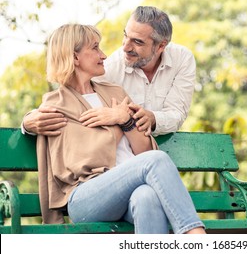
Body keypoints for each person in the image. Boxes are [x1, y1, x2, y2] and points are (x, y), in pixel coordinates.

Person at [37, 23, 205, 234]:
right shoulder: (56, 105)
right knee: (157, 160)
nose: (104, 55)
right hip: (85, 197)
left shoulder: (115, 92)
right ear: (75, 57)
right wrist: (118, 124)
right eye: (96, 47)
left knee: (147, 197)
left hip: (127, 192)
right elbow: (87, 160)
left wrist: (125, 121)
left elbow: (145, 151)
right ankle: (197, 237)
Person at [22, 6, 196, 137]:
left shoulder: (182, 59)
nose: (126, 47)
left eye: (137, 42)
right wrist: (28, 122)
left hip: (153, 151)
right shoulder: (111, 68)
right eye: (125, 36)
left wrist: (153, 118)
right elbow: (69, 97)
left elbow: (176, 113)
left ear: (161, 46)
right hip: (121, 157)